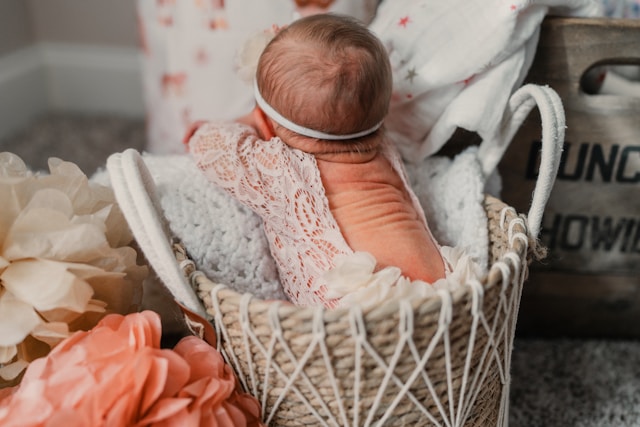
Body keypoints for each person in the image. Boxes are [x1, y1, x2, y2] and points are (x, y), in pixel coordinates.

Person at [186, 13, 446, 308]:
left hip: (355, 308)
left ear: (269, 123)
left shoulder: (283, 170)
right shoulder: (385, 149)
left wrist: (231, 125)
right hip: (444, 287)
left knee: (277, 321)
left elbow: (213, 149)